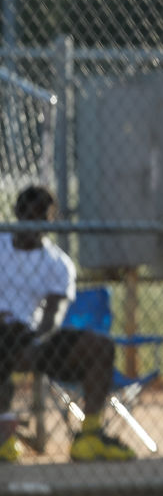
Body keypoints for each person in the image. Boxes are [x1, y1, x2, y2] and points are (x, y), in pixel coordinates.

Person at [0, 185, 136, 462]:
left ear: (52, 220)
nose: (34, 223)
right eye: (28, 214)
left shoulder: (58, 264)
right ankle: (3, 437)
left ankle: (89, 437)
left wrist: (32, 340)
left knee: (100, 347)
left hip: (33, 337)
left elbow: (52, 317)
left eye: (42, 217)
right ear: (16, 213)